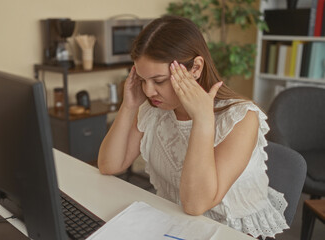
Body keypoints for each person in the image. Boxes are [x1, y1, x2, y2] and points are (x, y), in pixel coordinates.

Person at [97, 16, 289, 239]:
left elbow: (196, 204)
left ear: (195, 68)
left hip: (232, 230)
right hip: (176, 223)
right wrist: (128, 106)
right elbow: (109, 165)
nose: (149, 91)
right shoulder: (155, 108)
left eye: (158, 80)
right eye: (142, 79)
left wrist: (203, 120)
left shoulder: (241, 118)